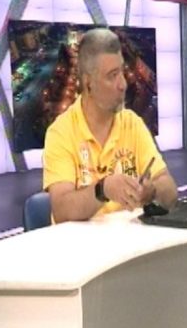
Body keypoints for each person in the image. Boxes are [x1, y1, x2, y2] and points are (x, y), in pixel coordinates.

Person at [43, 28, 177, 223]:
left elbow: (170, 189)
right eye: (112, 75)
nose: (123, 84)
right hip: (80, 242)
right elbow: (62, 210)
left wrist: (152, 191)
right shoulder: (60, 133)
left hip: (131, 238)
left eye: (121, 71)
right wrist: (102, 189)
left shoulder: (132, 124)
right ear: (88, 83)